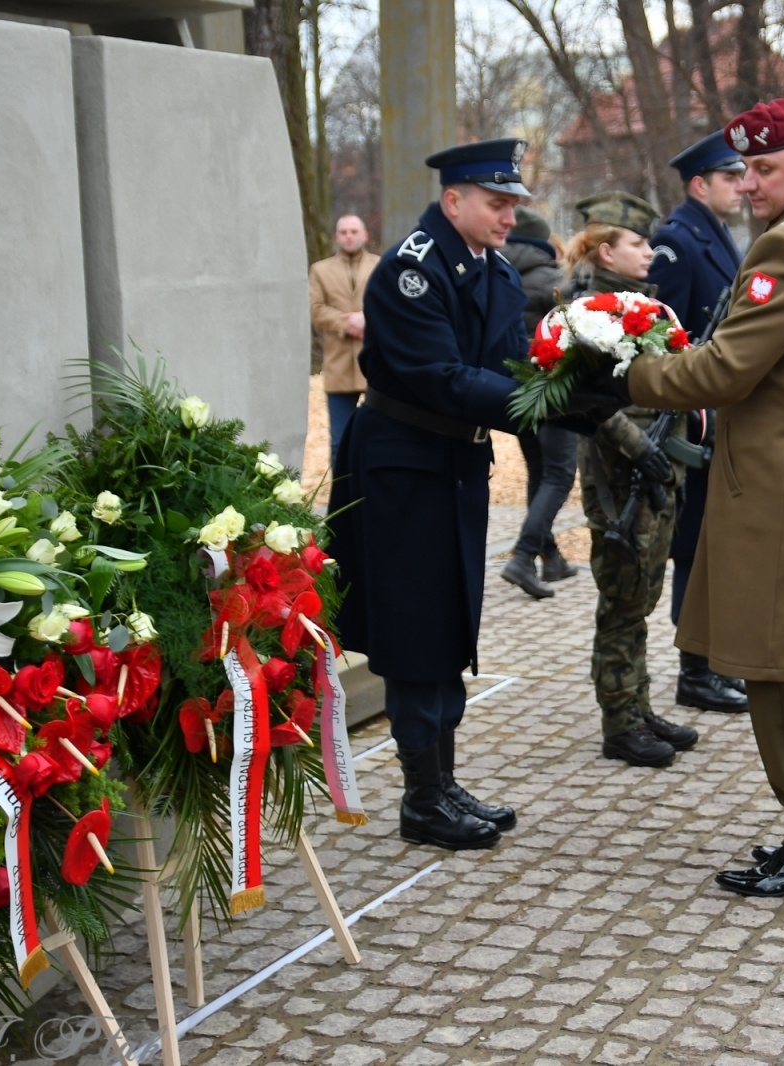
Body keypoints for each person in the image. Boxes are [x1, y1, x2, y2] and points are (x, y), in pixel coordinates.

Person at [577, 98, 784, 898]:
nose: (749, 183)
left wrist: (621, 373)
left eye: (765, 168)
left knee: (782, 672)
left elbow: (723, 371)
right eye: (744, 169)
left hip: (782, 475)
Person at [327, 138, 535, 852]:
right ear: (454, 201)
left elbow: (519, 352)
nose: (509, 216)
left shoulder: (493, 269)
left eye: (513, 205)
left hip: (454, 462)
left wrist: (585, 373)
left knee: (450, 619)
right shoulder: (410, 272)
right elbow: (442, 378)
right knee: (417, 626)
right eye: (497, 203)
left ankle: (442, 780)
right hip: (404, 465)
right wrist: (547, 405)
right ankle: (421, 798)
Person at [570, 191, 701, 767]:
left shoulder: (638, 305)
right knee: (622, 600)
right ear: (606, 249)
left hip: (652, 469)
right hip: (618, 474)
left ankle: (638, 706)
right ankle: (619, 722)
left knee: (641, 598)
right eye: (638, 243)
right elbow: (586, 401)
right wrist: (638, 448)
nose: (651, 251)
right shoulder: (584, 313)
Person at [648, 131, 750, 714]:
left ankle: (709, 661)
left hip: (716, 416)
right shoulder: (677, 241)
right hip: (692, 420)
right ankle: (694, 668)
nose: (740, 186)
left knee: (713, 543)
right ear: (699, 184)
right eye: (730, 178)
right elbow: (666, 332)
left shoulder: (714, 235)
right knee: (693, 546)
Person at [500, 207, 581, 599]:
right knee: (559, 475)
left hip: (520, 393)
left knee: (539, 471)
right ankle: (523, 556)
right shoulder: (555, 281)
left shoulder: (499, 276)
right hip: (555, 392)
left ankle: (551, 558)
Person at [309, 214, 379, 464]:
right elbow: (315, 309)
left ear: (364, 235)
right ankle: (343, 498)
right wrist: (348, 324)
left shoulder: (382, 266)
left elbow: (392, 305)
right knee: (340, 441)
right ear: (336, 237)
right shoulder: (320, 270)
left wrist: (367, 320)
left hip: (376, 363)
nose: (348, 236)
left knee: (378, 439)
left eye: (353, 231)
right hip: (338, 365)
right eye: (343, 232)